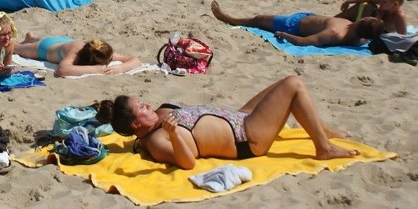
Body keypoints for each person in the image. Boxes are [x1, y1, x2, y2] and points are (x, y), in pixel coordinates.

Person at [95, 75, 359, 170]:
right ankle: (323, 146)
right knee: (292, 84)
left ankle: (324, 130)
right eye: (141, 108)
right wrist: (175, 135)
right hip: (247, 138)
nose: (148, 105)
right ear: (135, 126)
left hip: (239, 116)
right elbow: (188, 164)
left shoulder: (159, 116)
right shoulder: (157, 140)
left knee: (280, 86)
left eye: (143, 102)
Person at [211, 0, 384, 47]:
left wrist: (283, 35)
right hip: (308, 17)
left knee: (258, 19)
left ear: (362, 21)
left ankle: (227, 17)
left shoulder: (335, 33)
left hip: (292, 25)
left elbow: (303, 42)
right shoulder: (359, 38)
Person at [15, 33, 141, 77]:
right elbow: (62, 70)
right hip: (45, 48)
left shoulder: (101, 50)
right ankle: (32, 40)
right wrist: (95, 69)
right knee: (16, 48)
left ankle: (32, 37)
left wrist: (120, 68)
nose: (109, 62)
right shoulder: (75, 53)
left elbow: (135, 60)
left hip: (63, 41)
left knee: (52, 40)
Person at [336, 0, 408, 35]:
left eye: (384, 1)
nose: (381, 1)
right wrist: (348, 2)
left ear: (395, 4)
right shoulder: (386, 2)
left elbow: (403, 38)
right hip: (372, 26)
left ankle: (337, 22)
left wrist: (378, 20)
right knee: (367, 6)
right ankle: (335, 19)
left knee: (368, 8)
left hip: (379, 33)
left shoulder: (399, 16)